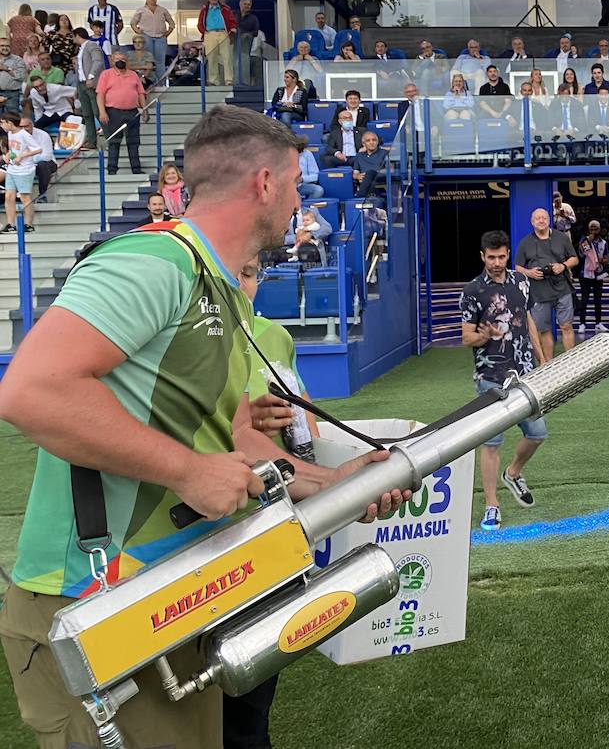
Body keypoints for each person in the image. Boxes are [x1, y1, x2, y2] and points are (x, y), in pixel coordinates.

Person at [0, 106, 406, 749]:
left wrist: (337, 480)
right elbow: (30, 391)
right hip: (95, 600)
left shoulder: (219, 292)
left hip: (176, 594)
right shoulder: (155, 261)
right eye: (297, 183)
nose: (302, 198)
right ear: (266, 185)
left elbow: (228, 440)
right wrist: (186, 472)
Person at [459, 229, 547, 533]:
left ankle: (513, 473)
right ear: (482, 256)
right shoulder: (472, 290)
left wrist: (542, 357)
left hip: (525, 374)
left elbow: (528, 319)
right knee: (492, 444)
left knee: (537, 434)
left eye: (501, 256)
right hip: (490, 378)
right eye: (491, 257)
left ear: (508, 254)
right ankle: (491, 506)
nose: (497, 262)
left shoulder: (521, 282)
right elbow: (466, 336)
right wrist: (481, 336)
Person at [514, 207, 579, 359]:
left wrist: (562, 266)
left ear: (549, 220)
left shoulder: (562, 238)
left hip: (562, 287)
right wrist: (530, 273)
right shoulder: (525, 243)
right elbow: (517, 267)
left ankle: (572, 361)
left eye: (544, 218)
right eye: (538, 218)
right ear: (532, 222)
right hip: (538, 291)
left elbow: (574, 258)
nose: (541, 220)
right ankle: (548, 366)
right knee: (544, 329)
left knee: (566, 326)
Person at [96, 51, 147, 175]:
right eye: (118, 59)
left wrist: (145, 110)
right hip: (113, 112)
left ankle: (136, 169)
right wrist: (102, 112)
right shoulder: (106, 74)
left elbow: (141, 93)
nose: (121, 61)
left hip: (132, 112)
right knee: (114, 141)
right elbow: (100, 94)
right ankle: (112, 170)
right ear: (112, 61)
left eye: (123, 59)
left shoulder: (133, 75)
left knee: (134, 141)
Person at [2, 112, 41, 233]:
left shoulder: (24, 135)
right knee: (9, 196)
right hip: (12, 169)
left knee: (24, 197)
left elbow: (38, 149)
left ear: (10, 123)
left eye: (3, 122)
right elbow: (13, 149)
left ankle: (28, 224)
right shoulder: (10, 134)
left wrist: (22, 156)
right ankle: (10, 223)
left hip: (24, 170)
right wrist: (8, 155)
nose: (2, 125)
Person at [129, 0, 174, 81]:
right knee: (148, 61)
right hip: (146, 37)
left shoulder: (162, 10)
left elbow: (172, 23)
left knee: (160, 62)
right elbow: (133, 23)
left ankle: (161, 83)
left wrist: (167, 33)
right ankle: (149, 81)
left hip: (160, 38)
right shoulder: (141, 10)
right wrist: (138, 32)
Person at [198, 0, 237, 86]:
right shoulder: (204, 10)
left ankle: (229, 80)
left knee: (227, 57)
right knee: (211, 58)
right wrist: (204, 32)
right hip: (209, 34)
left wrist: (232, 28)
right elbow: (200, 23)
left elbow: (232, 20)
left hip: (223, 33)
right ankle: (213, 80)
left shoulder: (225, 8)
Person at [575, 220, 609, 334]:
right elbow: (580, 254)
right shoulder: (584, 240)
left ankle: (598, 323)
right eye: (592, 229)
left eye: (596, 229)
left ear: (599, 230)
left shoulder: (603, 243)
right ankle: (582, 323)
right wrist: (587, 242)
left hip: (598, 274)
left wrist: (601, 260)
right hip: (585, 274)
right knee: (584, 300)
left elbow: (607, 258)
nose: (594, 232)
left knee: (598, 300)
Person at [351, 130, 386, 199]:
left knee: (370, 172)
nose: (371, 142)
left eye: (374, 140)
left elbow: (390, 170)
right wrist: (358, 176)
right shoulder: (359, 156)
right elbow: (355, 173)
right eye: (368, 141)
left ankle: (359, 198)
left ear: (377, 142)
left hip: (380, 182)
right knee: (369, 179)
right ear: (364, 144)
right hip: (366, 183)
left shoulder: (384, 153)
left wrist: (376, 172)